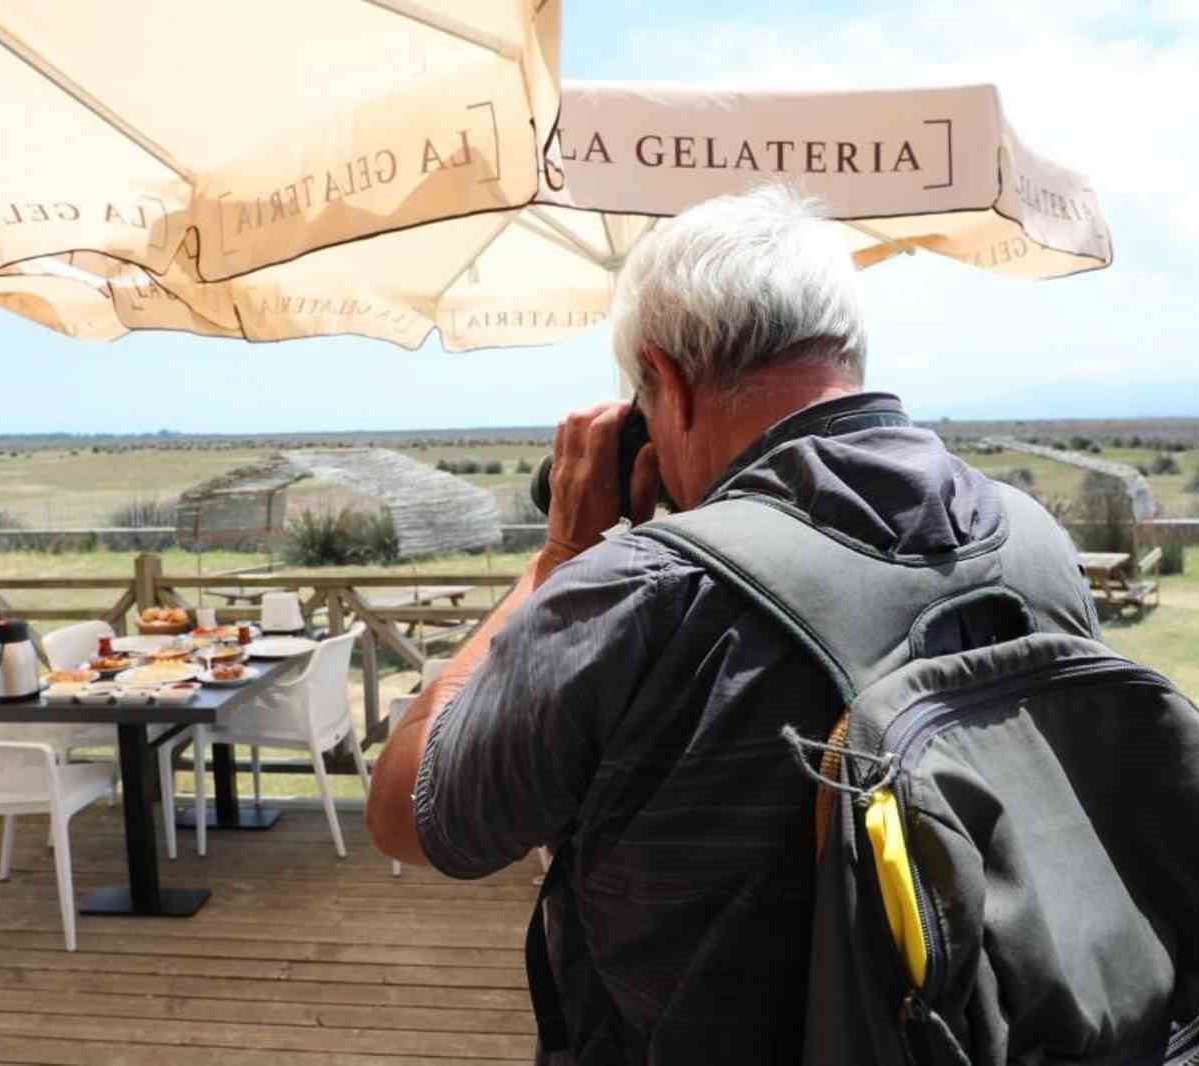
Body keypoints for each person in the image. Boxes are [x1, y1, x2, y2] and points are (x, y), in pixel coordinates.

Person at [367, 185, 1020, 1063]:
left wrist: (560, 555)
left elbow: (408, 811)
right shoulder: (1024, 543)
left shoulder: (643, 592)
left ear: (664, 382)